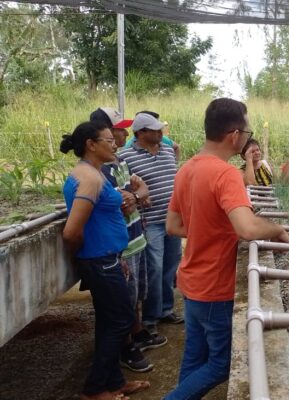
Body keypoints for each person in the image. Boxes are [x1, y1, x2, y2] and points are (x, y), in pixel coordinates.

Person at [164, 98, 289, 399]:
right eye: (247, 133)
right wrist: (276, 229)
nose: (248, 138)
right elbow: (247, 227)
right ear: (234, 135)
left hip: (191, 280)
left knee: (194, 359)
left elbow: (173, 225)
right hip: (213, 286)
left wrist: (213, 230)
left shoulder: (187, 168)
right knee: (221, 364)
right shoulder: (226, 174)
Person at [60, 121, 150, 400]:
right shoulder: (89, 179)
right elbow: (72, 232)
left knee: (110, 322)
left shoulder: (94, 173)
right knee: (122, 321)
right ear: (91, 144)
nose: (114, 144)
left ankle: (114, 381)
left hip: (107, 259)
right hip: (100, 261)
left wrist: (111, 254)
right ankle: (95, 389)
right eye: (108, 140)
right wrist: (92, 257)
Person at [90, 108, 168, 372]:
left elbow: (139, 193)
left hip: (135, 237)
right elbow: (125, 203)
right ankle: (126, 347)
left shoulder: (119, 164)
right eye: (117, 130)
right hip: (120, 245)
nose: (122, 133)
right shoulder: (101, 171)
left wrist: (136, 195)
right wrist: (135, 196)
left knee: (135, 295)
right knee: (123, 300)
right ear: (102, 134)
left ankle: (136, 334)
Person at [118, 113, 183, 334]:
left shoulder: (166, 150)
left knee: (170, 266)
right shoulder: (125, 156)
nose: (160, 133)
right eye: (155, 130)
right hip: (150, 221)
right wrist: (138, 194)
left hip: (172, 219)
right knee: (154, 268)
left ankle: (165, 309)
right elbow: (123, 186)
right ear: (141, 133)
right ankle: (150, 317)